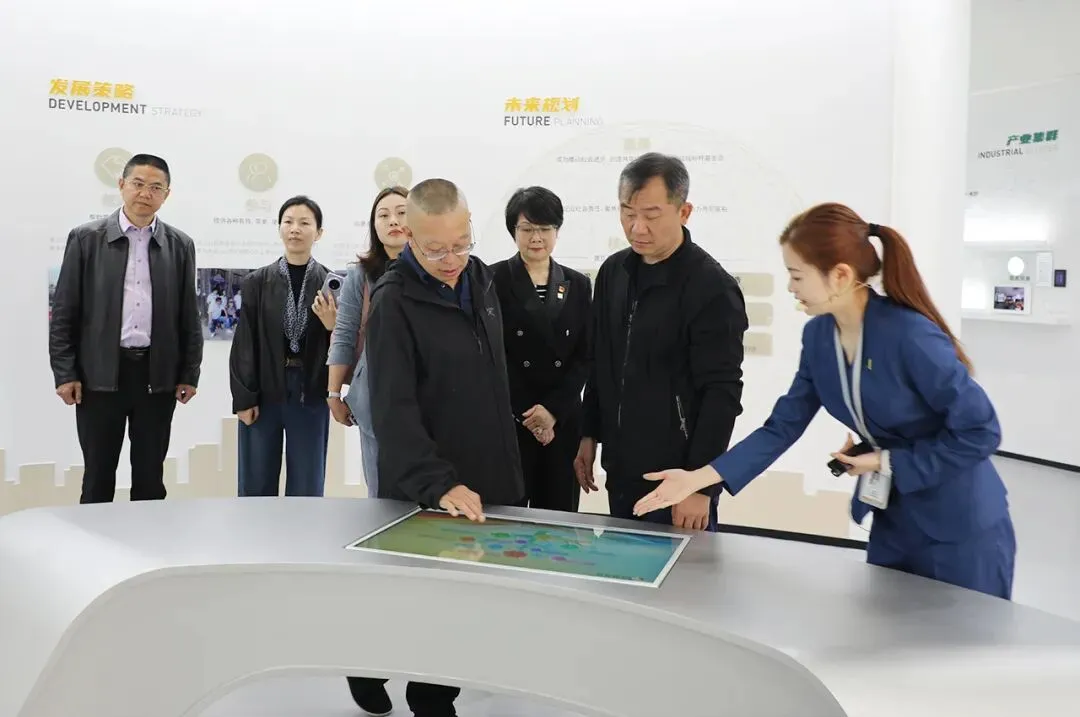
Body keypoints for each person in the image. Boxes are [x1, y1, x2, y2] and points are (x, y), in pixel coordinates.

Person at [633, 202, 1016, 600]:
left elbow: (981, 432)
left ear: (841, 276)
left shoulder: (910, 336)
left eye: (797, 275)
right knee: (888, 633)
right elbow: (782, 427)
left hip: (959, 525)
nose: (790, 287)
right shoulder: (818, 337)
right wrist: (698, 478)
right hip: (893, 521)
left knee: (966, 638)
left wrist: (885, 461)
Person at [353, 178, 525, 717]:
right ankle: (397, 678)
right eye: (435, 250)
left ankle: (419, 685)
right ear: (408, 236)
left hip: (488, 467)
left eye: (460, 244)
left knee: (469, 595)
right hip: (429, 479)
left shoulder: (480, 278)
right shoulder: (394, 302)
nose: (451, 261)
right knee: (424, 596)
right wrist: (438, 482)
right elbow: (392, 409)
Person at [575, 152, 748, 531]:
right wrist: (589, 433)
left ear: (684, 212)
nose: (637, 227)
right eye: (627, 213)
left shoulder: (712, 287)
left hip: (678, 480)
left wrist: (701, 485)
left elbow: (722, 393)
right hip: (621, 470)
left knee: (682, 571)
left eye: (651, 216)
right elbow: (601, 361)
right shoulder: (613, 273)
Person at [49, 153, 203, 503]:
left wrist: (189, 373)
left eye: (156, 187)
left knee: (150, 476)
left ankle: (148, 537)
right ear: (121, 185)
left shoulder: (179, 245)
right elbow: (64, 312)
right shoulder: (86, 239)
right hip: (99, 376)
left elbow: (188, 317)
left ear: (166, 195)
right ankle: (93, 537)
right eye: (138, 184)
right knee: (98, 475)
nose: (145, 193)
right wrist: (65, 373)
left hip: (156, 376)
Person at [491, 186, 592, 512]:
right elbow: (493, 354)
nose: (537, 237)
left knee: (559, 518)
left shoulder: (578, 284)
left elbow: (584, 356)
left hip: (562, 421)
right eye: (527, 229)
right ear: (513, 231)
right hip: (512, 420)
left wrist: (551, 412)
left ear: (557, 230)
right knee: (508, 518)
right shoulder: (492, 279)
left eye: (545, 228)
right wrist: (531, 416)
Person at [229, 195, 334, 497]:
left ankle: (302, 529)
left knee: (307, 483)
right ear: (279, 229)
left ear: (319, 232)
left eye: (304, 223)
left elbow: (342, 344)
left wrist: (332, 325)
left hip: (310, 389)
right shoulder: (257, 282)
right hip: (264, 388)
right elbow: (244, 344)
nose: (295, 229)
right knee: (256, 480)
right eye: (288, 222)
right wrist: (244, 398)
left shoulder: (330, 283)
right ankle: (256, 529)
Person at [323, 186, 409, 498]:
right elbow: (344, 333)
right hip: (374, 395)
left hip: (427, 395)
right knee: (381, 492)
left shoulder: (436, 269)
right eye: (383, 215)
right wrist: (334, 393)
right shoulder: (361, 275)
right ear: (374, 226)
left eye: (402, 213)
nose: (393, 221)